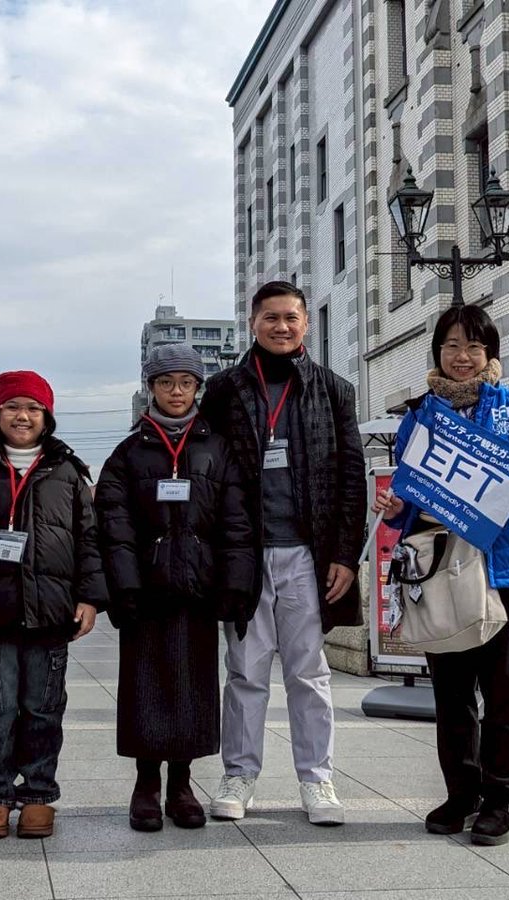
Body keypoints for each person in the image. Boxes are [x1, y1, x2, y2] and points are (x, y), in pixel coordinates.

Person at [371, 304, 509, 846]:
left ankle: (502, 798)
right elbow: (411, 497)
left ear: (490, 353)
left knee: (505, 689)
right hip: (441, 567)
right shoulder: (420, 417)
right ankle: (462, 793)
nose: (463, 357)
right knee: (452, 692)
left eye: (474, 347)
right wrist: (396, 510)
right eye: (453, 346)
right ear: (438, 352)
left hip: (504, 569)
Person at [199, 280, 366, 825]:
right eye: (270, 317)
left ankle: (317, 780)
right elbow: (207, 473)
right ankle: (239, 775)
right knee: (245, 672)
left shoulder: (333, 390)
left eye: (291, 317)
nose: (281, 327)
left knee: (309, 673)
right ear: (253, 323)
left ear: (306, 324)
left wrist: (345, 554)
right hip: (246, 554)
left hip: (307, 555)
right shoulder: (224, 390)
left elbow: (351, 477)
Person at [0, 370, 108, 840]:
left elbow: (89, 540)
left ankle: (38, 795)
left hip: (51, 616)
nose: (23, 416)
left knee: (43, 711)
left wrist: (90, 598)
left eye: (34, 408)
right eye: (12, 407)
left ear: (47, 416)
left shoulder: (67, 471)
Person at [96, 344, 256, 832]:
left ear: (197, 388)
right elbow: (114, 526)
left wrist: (234, 584)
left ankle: (182, 784)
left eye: (186, 382)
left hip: (198, 588)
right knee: (145, 687)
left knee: (193, 688)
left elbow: (236, 522)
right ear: (151, 388)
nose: (176, 392)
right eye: (166, 382)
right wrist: (124, 587)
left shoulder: (217, 449)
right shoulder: (127, 454)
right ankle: (146, 783)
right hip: (146, 592)